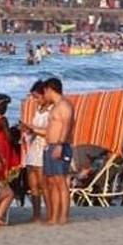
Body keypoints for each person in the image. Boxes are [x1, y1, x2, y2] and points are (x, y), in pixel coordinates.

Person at [41, 77, 74, 225]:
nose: (44, 95)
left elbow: (66, 126)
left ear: (49, 89)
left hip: (60, 146)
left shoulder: (65, 106)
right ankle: (54, 216)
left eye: (45, 91)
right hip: (51, 146)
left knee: (61, 182)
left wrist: (60, 145)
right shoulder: (55, 107)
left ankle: (63, 216)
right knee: (52, 181)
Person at [21, 80, 51, 222]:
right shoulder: (38, 111)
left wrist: (33, 129)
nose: (36, 100)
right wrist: (28, 130)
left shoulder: (52, 111)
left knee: (43, 184)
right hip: (33, 149)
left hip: (43, 149)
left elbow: (50, 132)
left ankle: (50, 212)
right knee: (33, 186)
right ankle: (36, 214)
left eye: (37, 97)